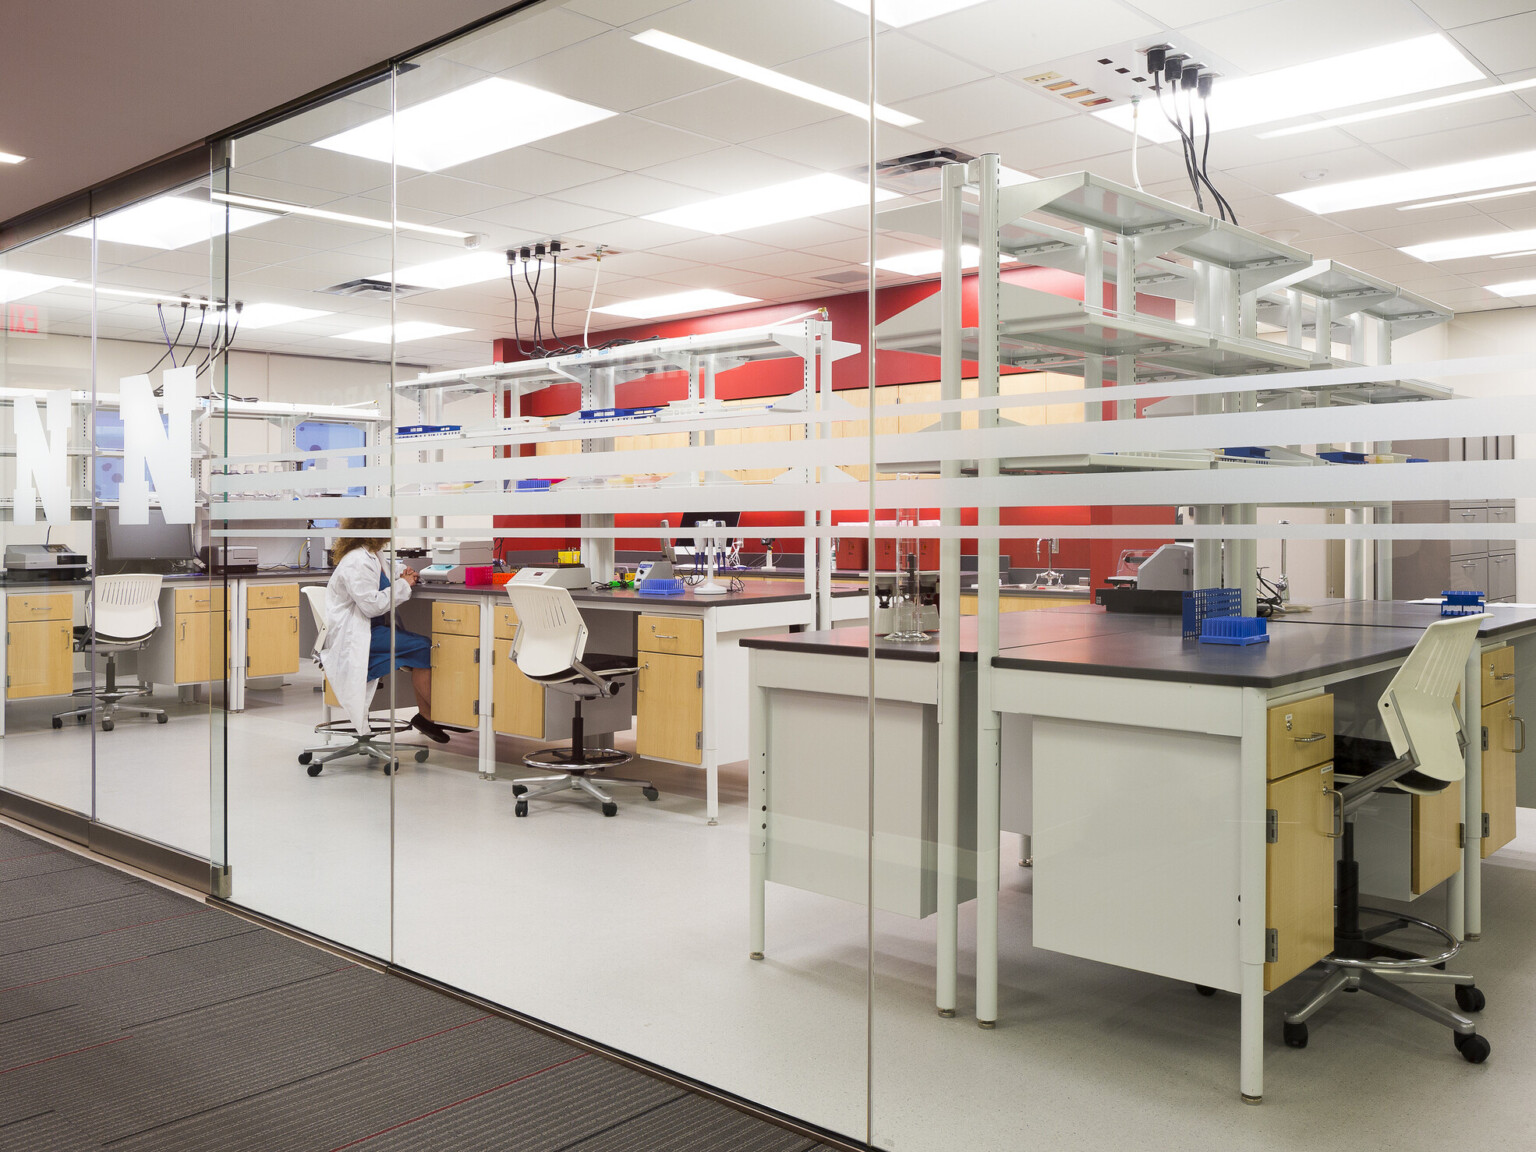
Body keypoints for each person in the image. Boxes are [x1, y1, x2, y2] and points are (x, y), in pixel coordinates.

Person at [318, 517, 450, 744]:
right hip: (357, 636)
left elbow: (386, 571)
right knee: (423, 647)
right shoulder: (357, 561)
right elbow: (371, 606)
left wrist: (402, 573)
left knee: (421, 649)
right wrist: (404, 585)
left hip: (371, 630)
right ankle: (431, 716)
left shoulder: (372, 554)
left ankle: (428, 717)